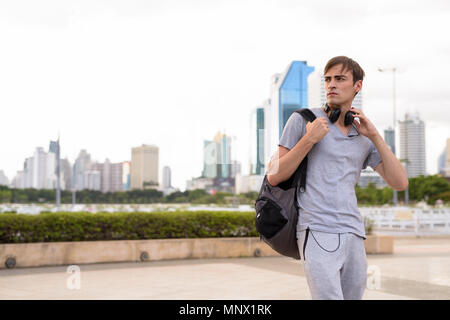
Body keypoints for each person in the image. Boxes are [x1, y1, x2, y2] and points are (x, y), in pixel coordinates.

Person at [266, 56, 408, 300]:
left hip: (353, 231)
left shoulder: (362, 133)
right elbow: (275, 176)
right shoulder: (303, 120)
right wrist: (309, 139)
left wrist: (374, 135)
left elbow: (399, 182)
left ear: (357, 86)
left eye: (340, 79)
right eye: (328, 79)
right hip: (316, 227)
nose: (331, 84)